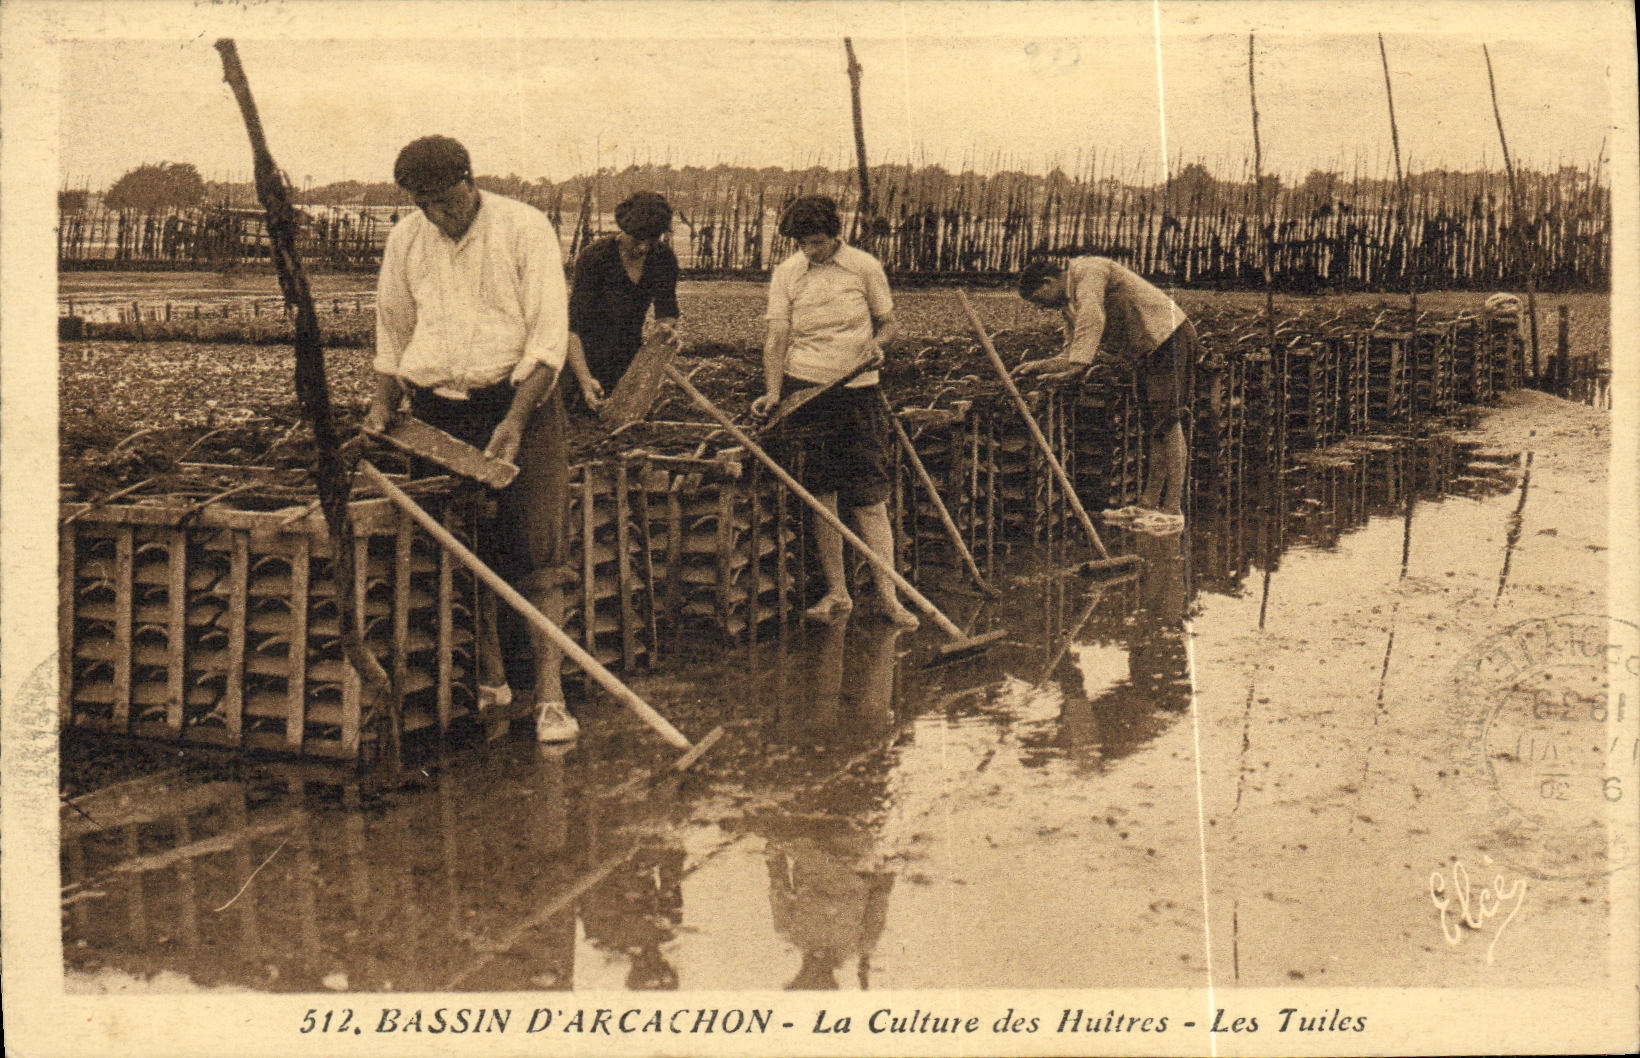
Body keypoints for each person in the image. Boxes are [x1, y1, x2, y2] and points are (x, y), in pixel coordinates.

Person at [363, 135, 580, 743]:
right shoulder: (407, 239)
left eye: (449, 200)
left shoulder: (524, 228)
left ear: (471, 180)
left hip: (519, 405)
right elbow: (393, 329)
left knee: (539, 552)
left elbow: (548, 339)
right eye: (426, 203)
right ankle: (491, 683)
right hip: (437, 414)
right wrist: (383, 404)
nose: (440, 214)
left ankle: (551, 697)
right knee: (463, 548)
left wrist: (512, 422)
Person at [751, 195, 918, 626]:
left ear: (835, 234)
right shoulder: (788, 274)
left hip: (858, 389)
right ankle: (838, 593)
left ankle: (888, 596)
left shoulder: (864, 267)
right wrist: (773, 393)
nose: (812, 250)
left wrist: (878, 348)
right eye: (804, 244)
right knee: (822, 495)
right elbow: (776, 337)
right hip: (807, 390)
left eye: (819, 242)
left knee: (869, 497)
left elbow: (889, 323)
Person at [1014, 256, 1197, 533]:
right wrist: (1040, 365)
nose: (1042, 307)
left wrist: (1077, 369)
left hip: (1167, 338)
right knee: (1154, 426)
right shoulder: (1069, 305)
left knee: (1168, 422)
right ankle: (1148, 504)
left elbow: (1093, 317)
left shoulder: (1088, 271)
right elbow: (1072, 351)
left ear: (1049, 282)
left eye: (1040, 299)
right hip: (1146, 350)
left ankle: (1173, 510)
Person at [565, 191, 682, 412]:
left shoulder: (663, 259)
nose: (644, 247)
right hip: (582, 360)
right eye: (638, 239)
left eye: (653, 239)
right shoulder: (596, 257)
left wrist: (666, 328)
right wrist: (585, 380)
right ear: (625, 229)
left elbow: (667, 310)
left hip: (628, 358)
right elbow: (573, 328)